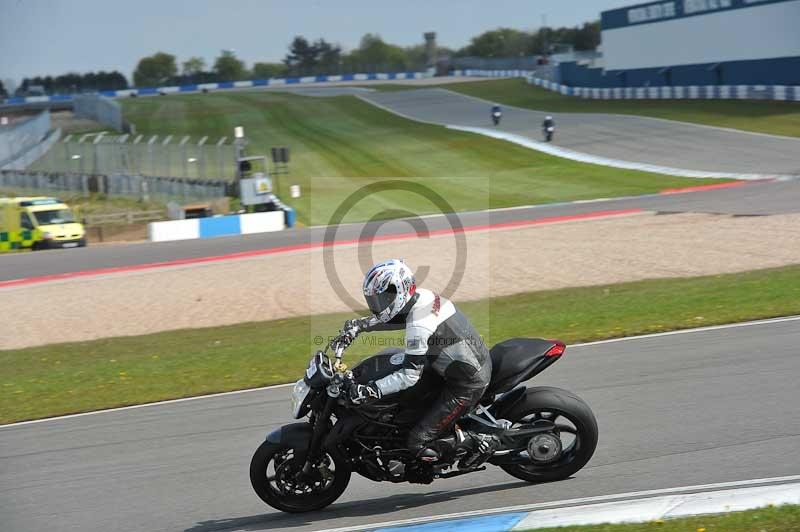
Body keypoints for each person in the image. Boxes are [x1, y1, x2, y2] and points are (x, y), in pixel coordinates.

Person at [340, 259, 497, 463]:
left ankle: (480, 441)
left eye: (384, 298)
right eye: (376, 299)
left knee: (417, 442)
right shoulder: (421, 297)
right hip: (450, 364)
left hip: (467, 382)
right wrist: (359, 326)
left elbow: (409, 375)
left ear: (401, 290)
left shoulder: (420, 325)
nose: (379, 304)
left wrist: (370, 390)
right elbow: (396, 317)